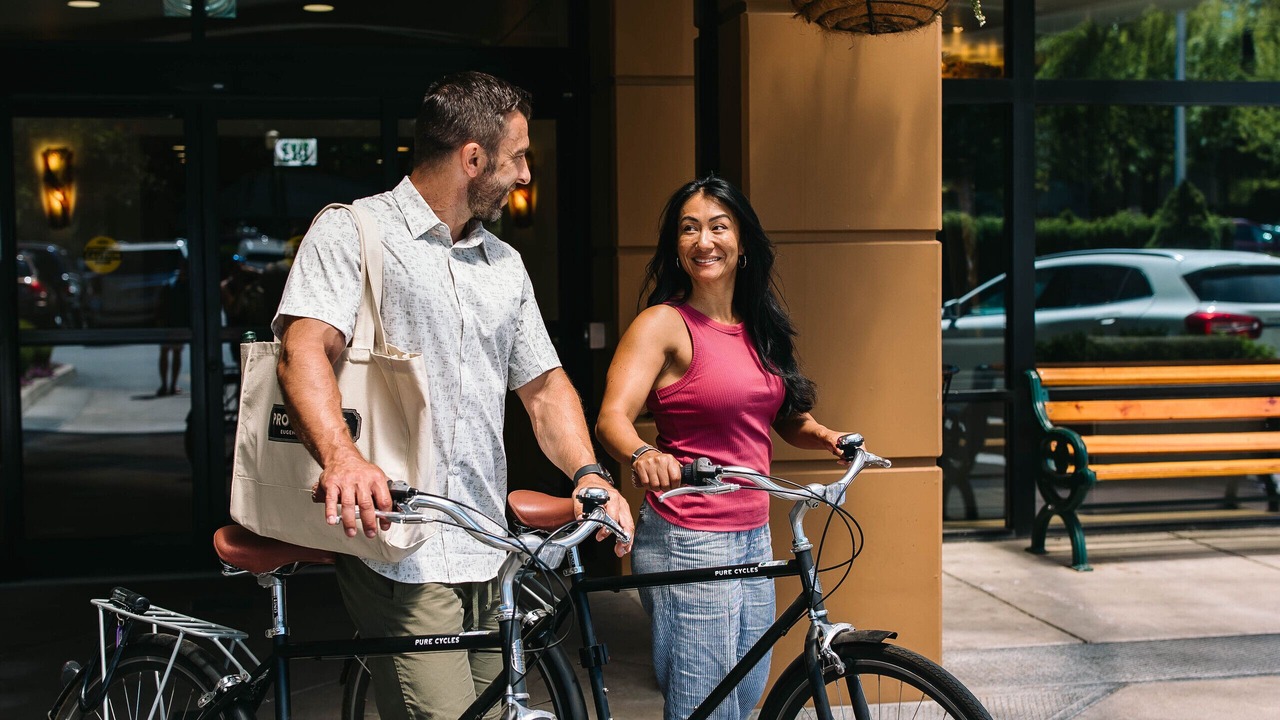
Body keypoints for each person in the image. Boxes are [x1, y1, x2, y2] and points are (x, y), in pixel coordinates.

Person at [271, 71, 632, 720]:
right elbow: (302, 352)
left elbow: (545, 389)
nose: (525, 176)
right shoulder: (354, 232)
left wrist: (587, 472)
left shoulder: (504, 265)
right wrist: (343, 458)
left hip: (488, 546)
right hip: (400, 546)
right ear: (473, 157)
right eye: (518, 156)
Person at [595, 175, 849, 720]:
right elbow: (612, 416)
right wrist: (643, 455)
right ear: (676, 247)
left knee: (743, 695)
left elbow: (784, 415)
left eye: (718, 226)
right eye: (689, 229)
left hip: (754, 531)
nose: (703, 240)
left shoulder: (759, 326)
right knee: (704, 708)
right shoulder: (663, 324)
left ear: (743, 244)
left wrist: (827, 437)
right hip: (689, 535)